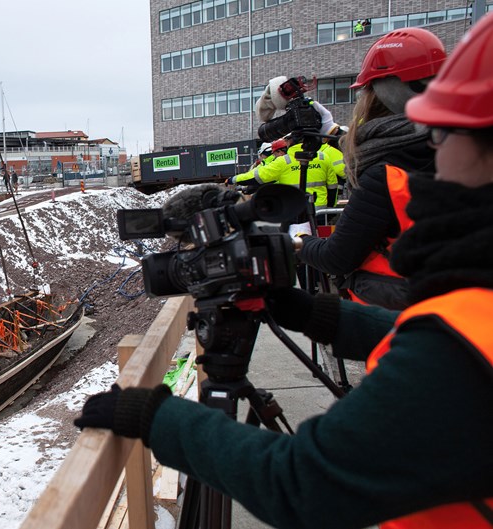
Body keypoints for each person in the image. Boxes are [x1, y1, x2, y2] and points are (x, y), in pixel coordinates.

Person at [75, 15, 493, 528]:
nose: (431, 148)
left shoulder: (459, 349)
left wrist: (158, 418)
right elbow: (443, 339)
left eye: (441, 133)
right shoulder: (467, 323)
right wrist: (317, 314)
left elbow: (301, 484)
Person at [297, 27, 445, 310]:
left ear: (382, 92)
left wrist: (299, 240)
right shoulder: (461, 147)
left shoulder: (384, 176)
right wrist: (331, 129)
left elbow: (337, 257)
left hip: (398, 314)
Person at [227, 134, 338, 207]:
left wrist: (234, 179)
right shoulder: (323, 157)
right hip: (321, 212)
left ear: (290, 143)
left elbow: (258, 176)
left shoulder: (284, 161)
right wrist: (330, 208)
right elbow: (333, 186)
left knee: (293, 241)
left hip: (294, 212)